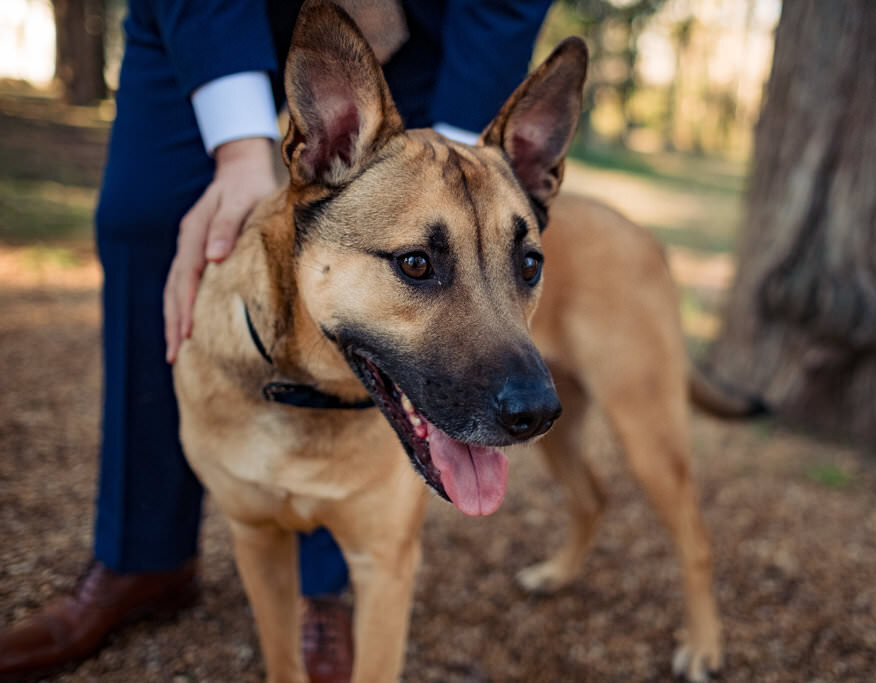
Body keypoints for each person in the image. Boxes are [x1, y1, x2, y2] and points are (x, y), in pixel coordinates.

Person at [0, 0, 554, 680]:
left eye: (528, 269)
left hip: (433, 22)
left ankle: (323, 591)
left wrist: (469, 158)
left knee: (435, 214)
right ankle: (139, 556)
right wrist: (238, 148)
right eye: (417, 266)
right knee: (144, 220)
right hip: (205, 17)